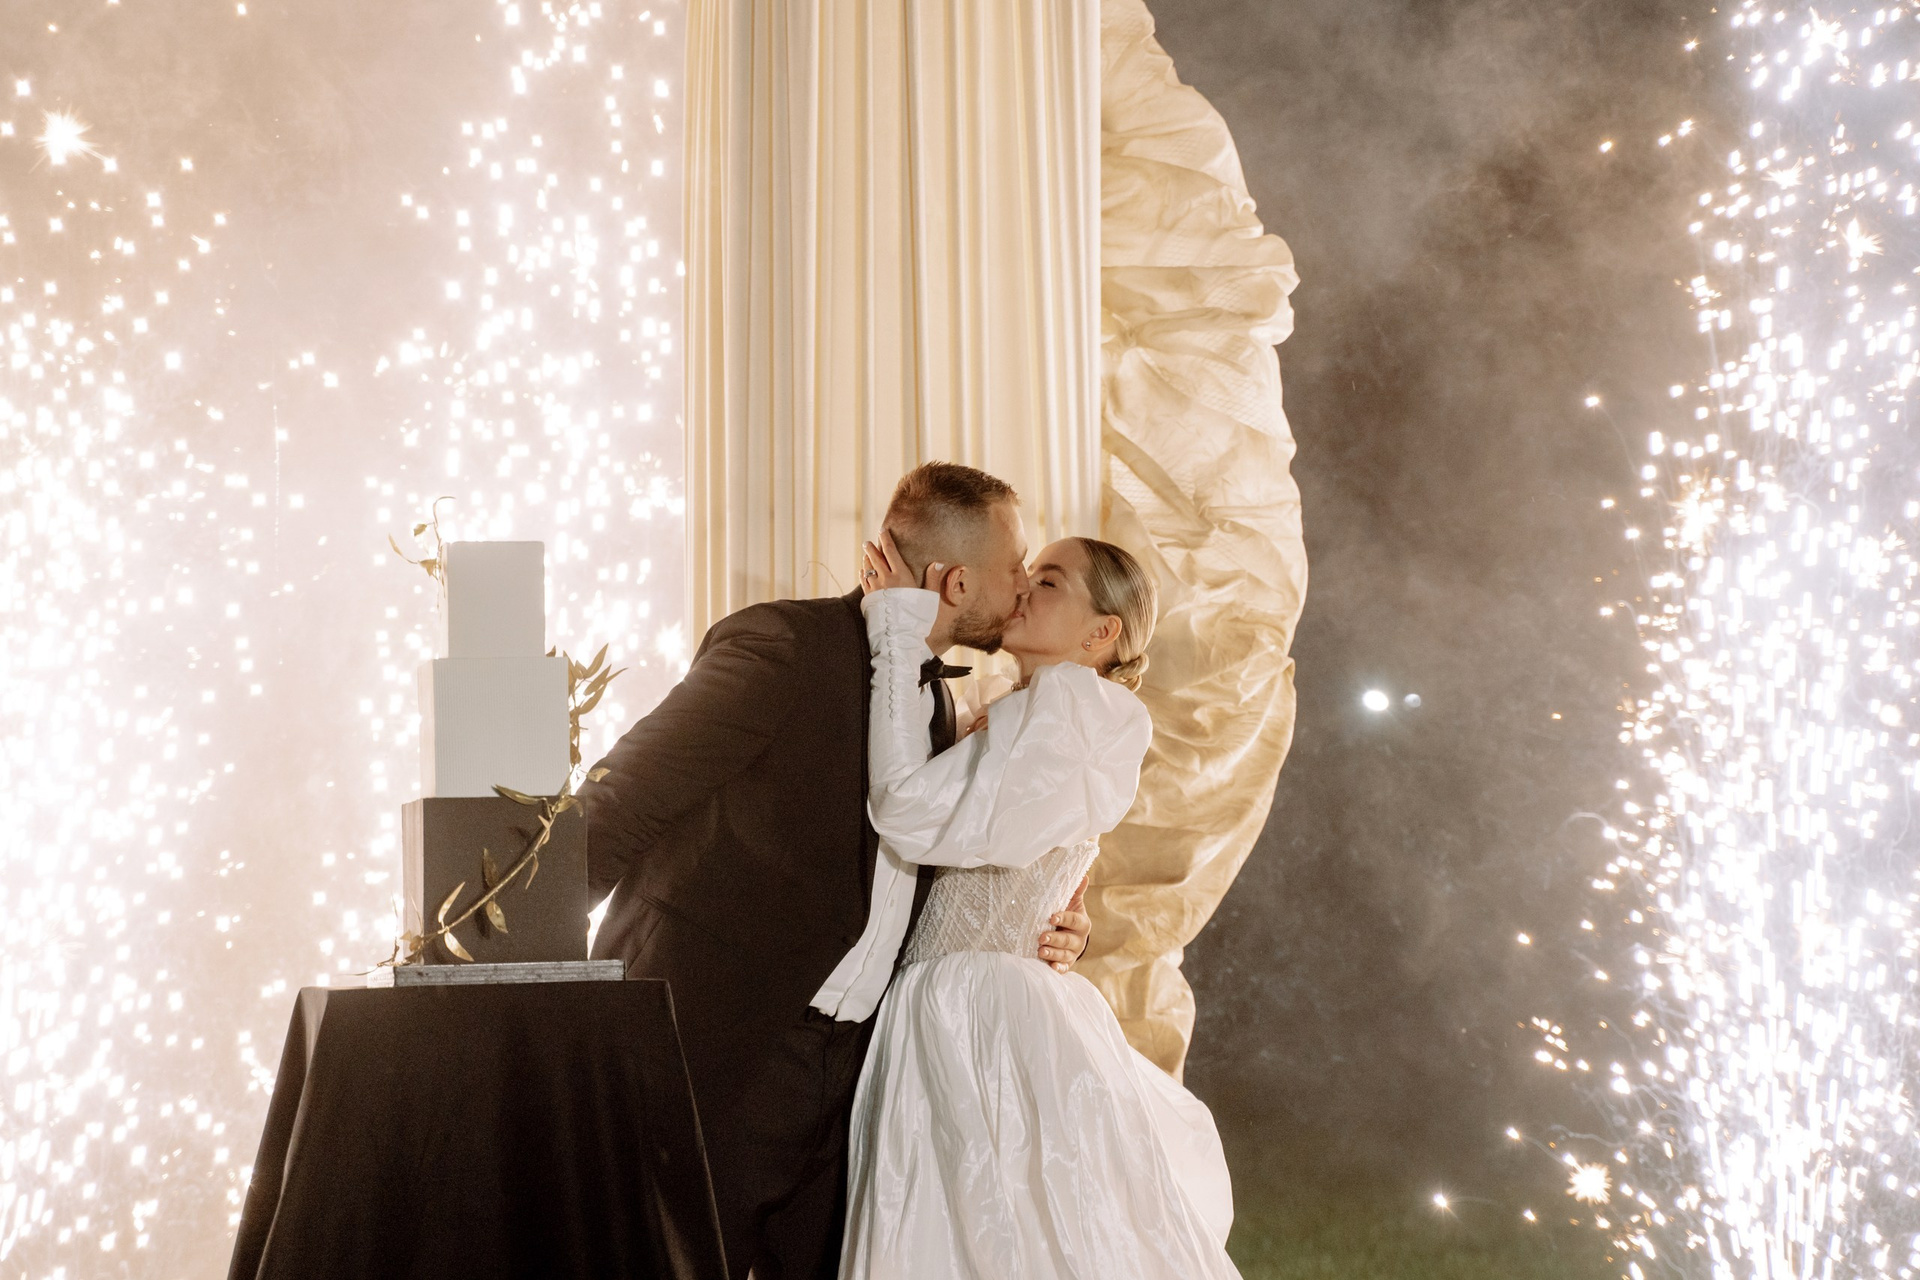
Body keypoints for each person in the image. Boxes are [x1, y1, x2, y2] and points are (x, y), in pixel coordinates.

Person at [578, 462, 1093, 1280]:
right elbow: (623, 803)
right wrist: (518, 976)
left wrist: (1052, 923)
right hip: (718, 1053)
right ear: (957, 582)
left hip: (858, 1079)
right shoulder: (786, 646)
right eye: (1016, 565)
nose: (1025, 583)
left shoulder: (944, 709)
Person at [838, 531, 1240, 1280]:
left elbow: (907, 813)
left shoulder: (1079, 707)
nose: (1024, 587)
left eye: (1049, 581)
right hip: (956, 997)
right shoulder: (1030, 709)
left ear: (1101, 633)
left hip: (979, 1011)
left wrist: (895, 630)